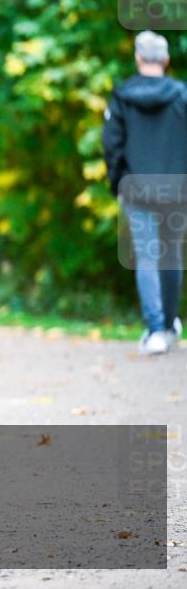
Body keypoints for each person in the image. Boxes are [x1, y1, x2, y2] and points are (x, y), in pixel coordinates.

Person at [103, 30, 187, 356]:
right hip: (177, 189)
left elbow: (112, 144)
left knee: (147, 257)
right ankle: (168, 325)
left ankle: (155, 331)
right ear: (165, 59)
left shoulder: (122, 96)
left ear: (138, 58)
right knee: (171, 255)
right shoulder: (182, 95)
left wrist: (118, 183)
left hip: (136, 189)